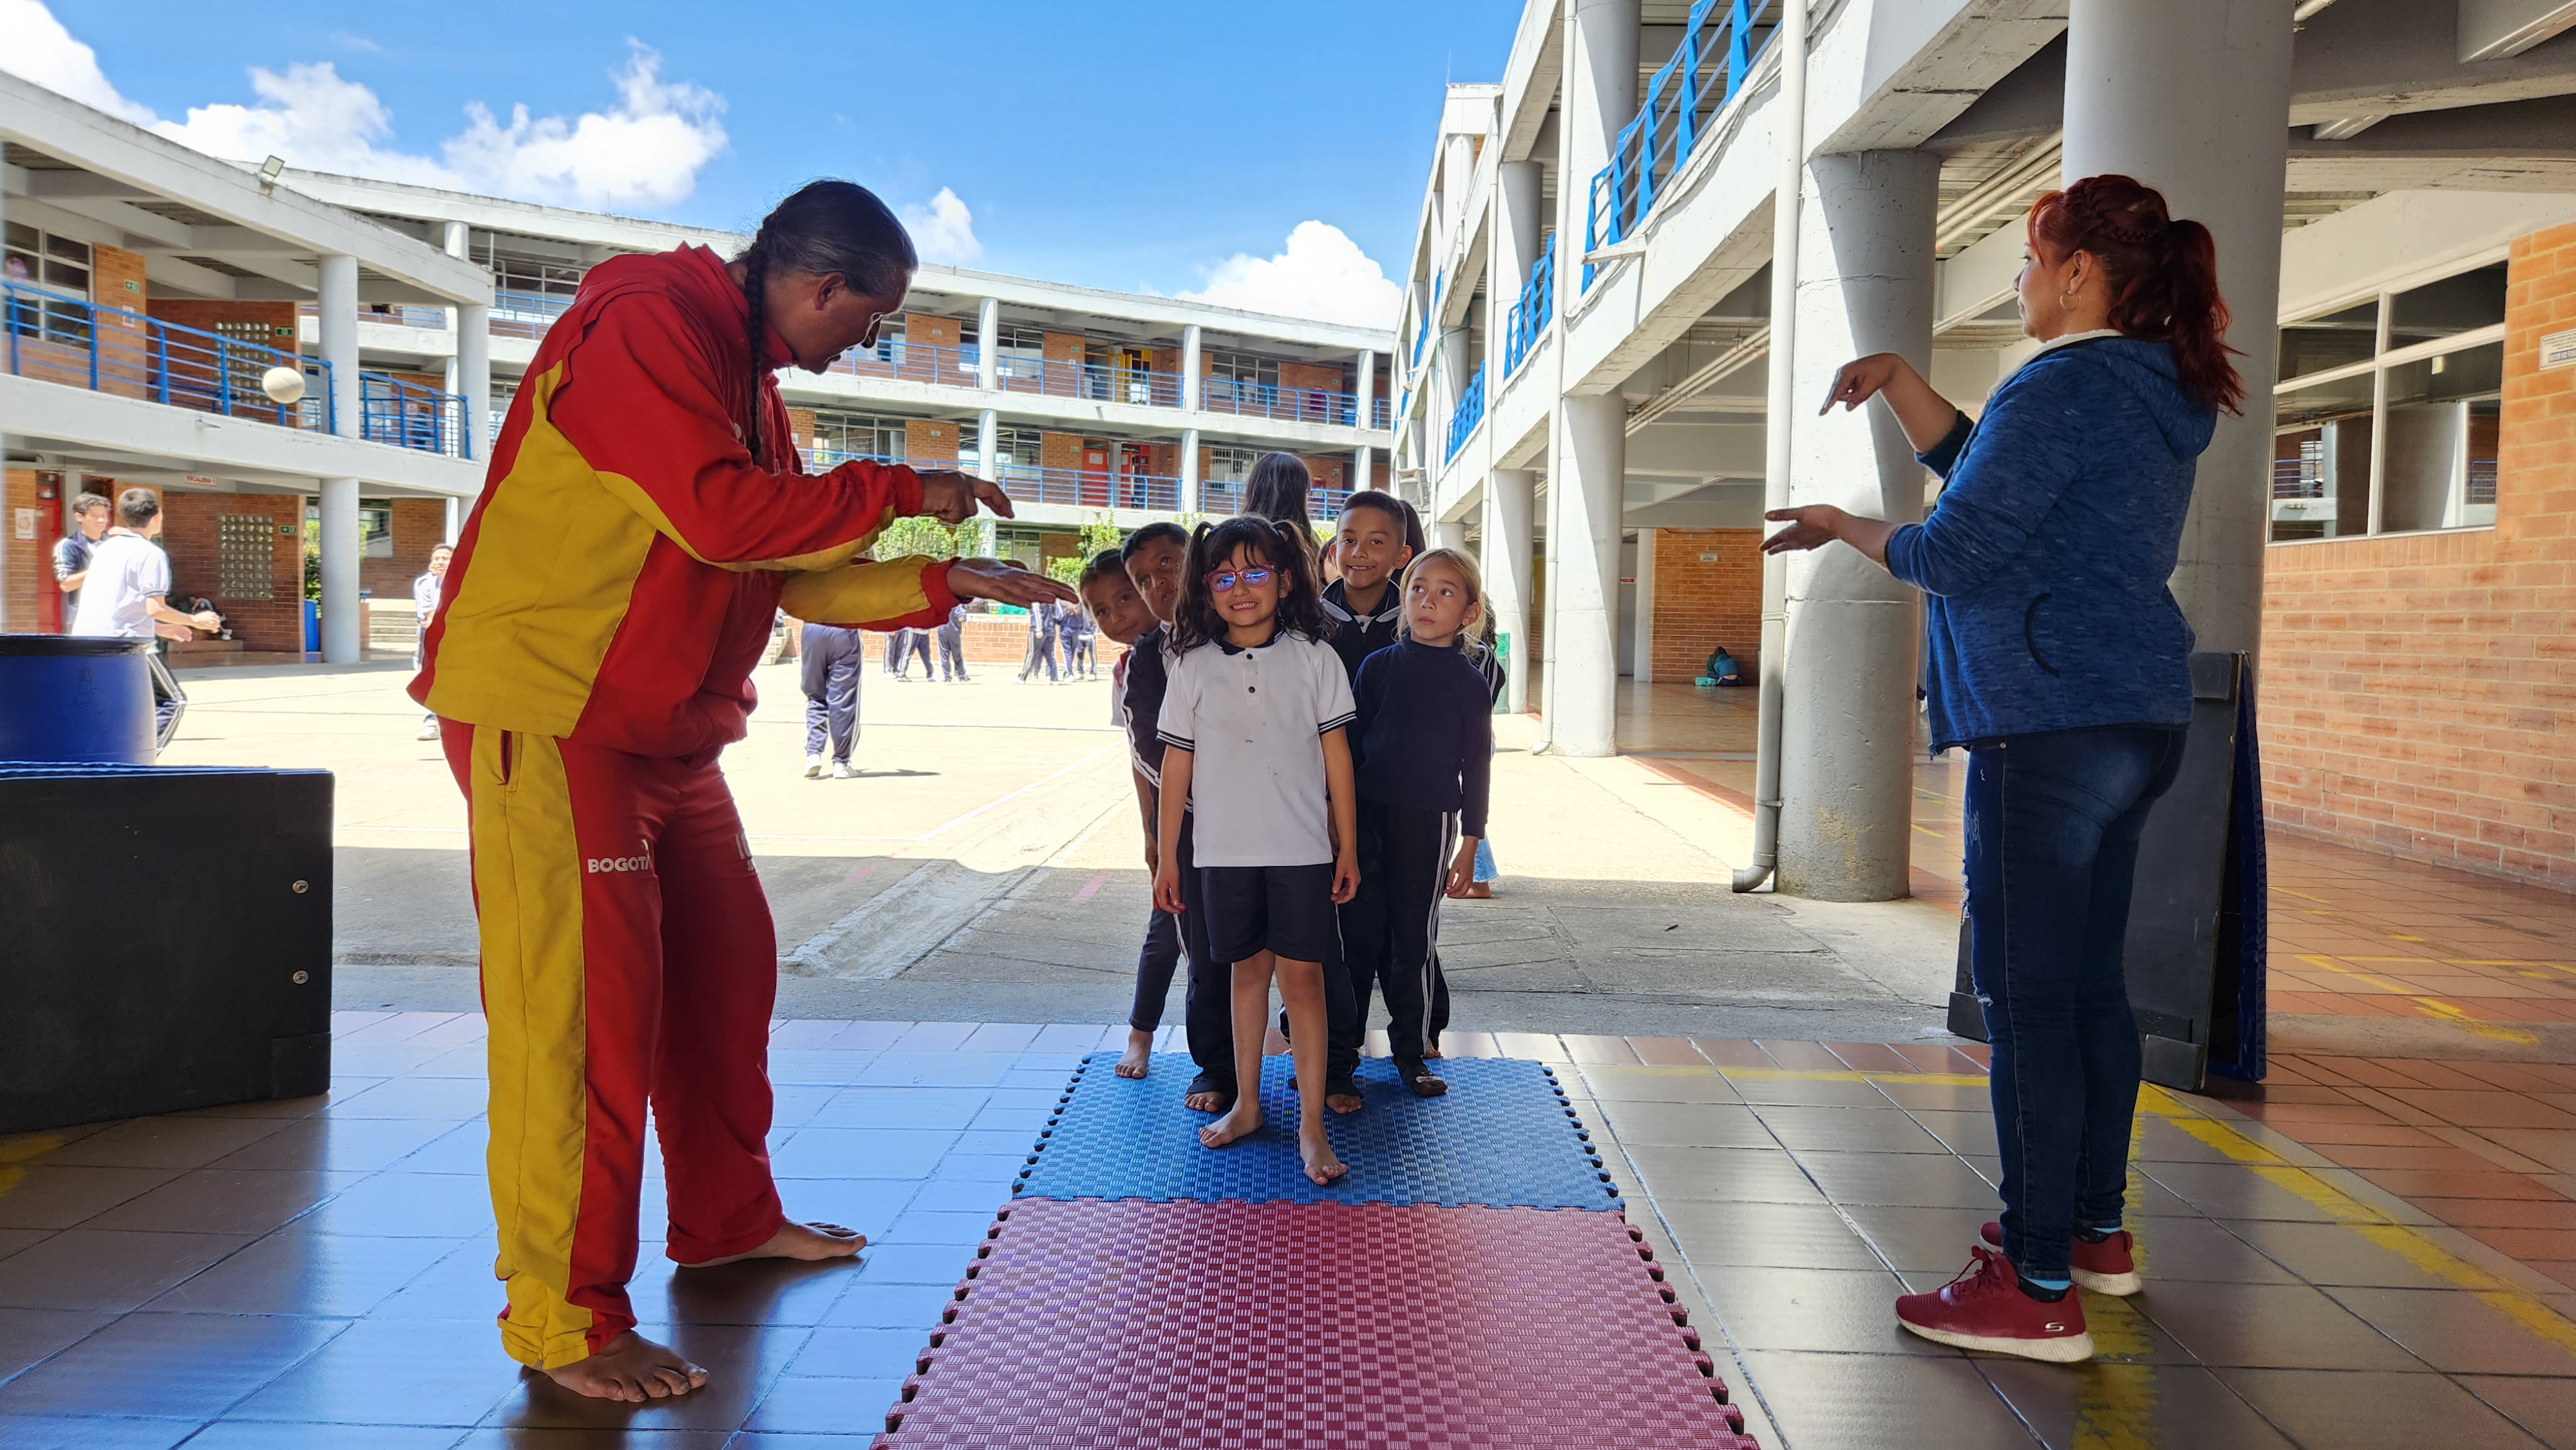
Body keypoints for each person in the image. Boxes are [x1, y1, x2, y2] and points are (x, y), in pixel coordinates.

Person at [408, 180, 1074, 1402]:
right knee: (585, 1026)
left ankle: (722, 1218)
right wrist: (902, 487)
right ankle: (564, 1320)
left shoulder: (750, 392)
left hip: (666, 737)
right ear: (821, 288)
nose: (858, 346)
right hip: (558, 721)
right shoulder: (649, 319)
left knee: (723, 977)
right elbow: (719, 520)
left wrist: (940, 584)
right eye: (867, 324)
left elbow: (778, 569)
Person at [1761, 174, 2233, 1364]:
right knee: (2086, 993)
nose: (2021, 284)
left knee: (2028, 1006)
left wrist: (1842, 525)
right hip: (2135, 714)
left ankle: (2031, 1287)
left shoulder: (2063, 383)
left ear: (2077, 274)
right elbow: (2002, 480)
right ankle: (2091, 1236)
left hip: (2048, 725)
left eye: (2030, 264)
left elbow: (1956, 546)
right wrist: (1906, 387)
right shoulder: (2151, 387)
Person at [1151, 515, 1360, 1187]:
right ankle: (1246, 1102)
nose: (1240, 588)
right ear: (1206, 587)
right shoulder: (1190, 665)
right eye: (1224, 576)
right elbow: (1175, 766)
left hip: (1300, 849)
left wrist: (1346, 844)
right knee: (1245, 974)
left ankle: (1309, 1123)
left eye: (1255, 572)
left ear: (1286, 579)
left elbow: (1337, 759)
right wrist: (1166, 857)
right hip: (1222, 852)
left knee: (1303, 981)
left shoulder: (1314, 657)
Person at [1336, 549, 1492, 1099]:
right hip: (1364, 820)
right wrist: (1340, 830)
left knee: (1413, 940)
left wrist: (1470, 844)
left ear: (1469, 612)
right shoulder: (1376, 667)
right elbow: (1347, 755)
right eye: (1418, 589)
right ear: (1403, 599)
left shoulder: (1470, 684)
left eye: (1446, 592)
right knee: (1355, 936)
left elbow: (1477, 765)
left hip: (1429, 824)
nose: (1427, 600)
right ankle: (1339, 1057)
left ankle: (1413, 1052)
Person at [1120, 521, 1236, 1111]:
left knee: (1295, 948)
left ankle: (1331, 1066)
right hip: (1192, 821)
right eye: (1143, 580)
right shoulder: (1146, 660)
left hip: (1274, 814)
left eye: (1168, 563)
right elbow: (1150, 746)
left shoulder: (1245, 627)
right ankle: (1216, 1069)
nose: (1159, 583)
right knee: (1205, 950)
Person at [1081, 547, 1179, 1080]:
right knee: (1166, 928)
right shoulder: (1129, 668)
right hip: (1172, 818)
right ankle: (1140, 1036)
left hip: (1225, 810)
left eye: (1126, 596)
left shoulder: (1194, 645)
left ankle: (1262, 1033)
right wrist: (1151, 833)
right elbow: (1141, 761)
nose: (1117, 615)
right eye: (1101, 609)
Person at [71, 488, 219, 751]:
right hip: (126, 645)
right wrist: (195, 621)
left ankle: (99, 761)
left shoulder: (106, 549)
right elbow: (155, 608)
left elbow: (118, 604)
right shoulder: (151, 554)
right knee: (172, 702)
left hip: (87, 640)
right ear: (157, 517)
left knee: (106, 706)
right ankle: (141, 761)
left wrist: (161, 628)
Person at [802, 621, 864, 778]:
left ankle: (813, 755)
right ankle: (841, 762)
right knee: (844, 700)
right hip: (843, 630)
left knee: (815, 696)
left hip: (812, 628)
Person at [52, 491, 110, 624]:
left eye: (104, 516)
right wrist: (101, 569)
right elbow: (66, 584)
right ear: (79, 517)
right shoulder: (68, 546)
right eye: (95, 516)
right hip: (83, 619)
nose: (101, 520)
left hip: (113, 616)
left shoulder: (115, 544)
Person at [413, 544, 453, 740]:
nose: (440, 562)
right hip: (435, 638)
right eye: (436, 558)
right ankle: (431, 721)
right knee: (432, 679)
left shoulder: (464, 584)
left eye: (445, 558)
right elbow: (430, 618)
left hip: (458, 636)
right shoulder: (426, 585)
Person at [1017, 587, 1059, 682]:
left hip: (1039, 630)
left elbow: (1037, 614)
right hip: (1051, 629)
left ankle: (1022, 677)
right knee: (1050, 655)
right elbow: (1057, 615)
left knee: (1031, 654)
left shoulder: (1035, 600)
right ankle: (1053, 678)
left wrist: (1038, 629)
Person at [1059, 596, 1095, 679]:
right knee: (1079, 654)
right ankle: (1080, 671)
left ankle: (1093, 671)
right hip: (1079, 633)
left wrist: (1094, 631)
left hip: (1089, 634)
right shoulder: (1078, 606)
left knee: (1091, 654)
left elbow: (1095, 619)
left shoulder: (1090, 606)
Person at [935, 602, 969, 681]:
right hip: (954, 632)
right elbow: (961, 617)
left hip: (942, 631)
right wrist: (964, 625)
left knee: (944, 655)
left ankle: (946, 676)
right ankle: (961, 675)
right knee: (957, 654)